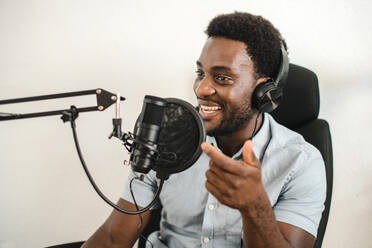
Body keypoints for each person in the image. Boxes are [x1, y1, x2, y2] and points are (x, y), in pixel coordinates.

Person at [82, 12, 326, 248]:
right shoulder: (167, 139)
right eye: (201, 73)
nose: (202, 89)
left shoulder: (301, 162)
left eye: (222, 78)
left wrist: (255, 207)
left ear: (264, 94)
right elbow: (113, 238)